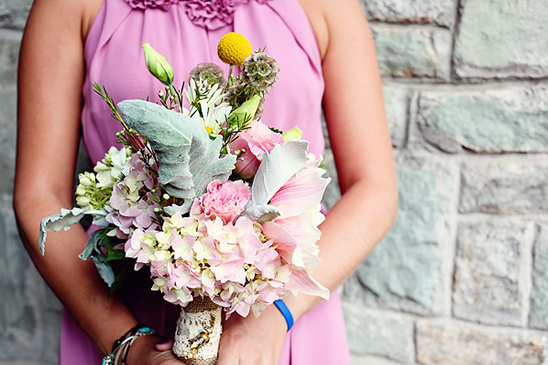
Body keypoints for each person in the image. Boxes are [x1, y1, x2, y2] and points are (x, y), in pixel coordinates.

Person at [14, 0, 397, 364]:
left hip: (282, 319)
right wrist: (128, 345)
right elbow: (39, 195)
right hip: (120, 311)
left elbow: (374, 188)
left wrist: (270, 321)